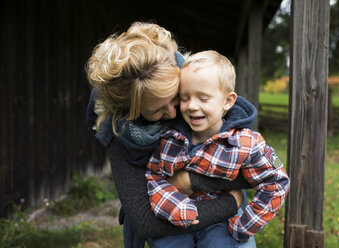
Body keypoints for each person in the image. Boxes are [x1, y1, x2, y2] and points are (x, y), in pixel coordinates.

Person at [86, 22, 257, 248]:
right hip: (176, 224)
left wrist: (191, 180)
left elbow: (252, 169)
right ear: (132, 112)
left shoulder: (196, 82)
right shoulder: (120, 130)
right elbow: (146, 221)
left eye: (176, 98)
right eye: (157, 110)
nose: (174, 112)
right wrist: (228, 203)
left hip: (224, 228)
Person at [145, 50, 290, 247]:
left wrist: (244, 225)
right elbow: (154, 176)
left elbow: (276, 182)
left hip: (220, 224)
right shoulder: (170, 139)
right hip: (175, 222)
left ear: (227, 101)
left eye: (203, 98)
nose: (192, 106)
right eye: (185, 98)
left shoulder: (244, 143)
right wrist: (174, 206)